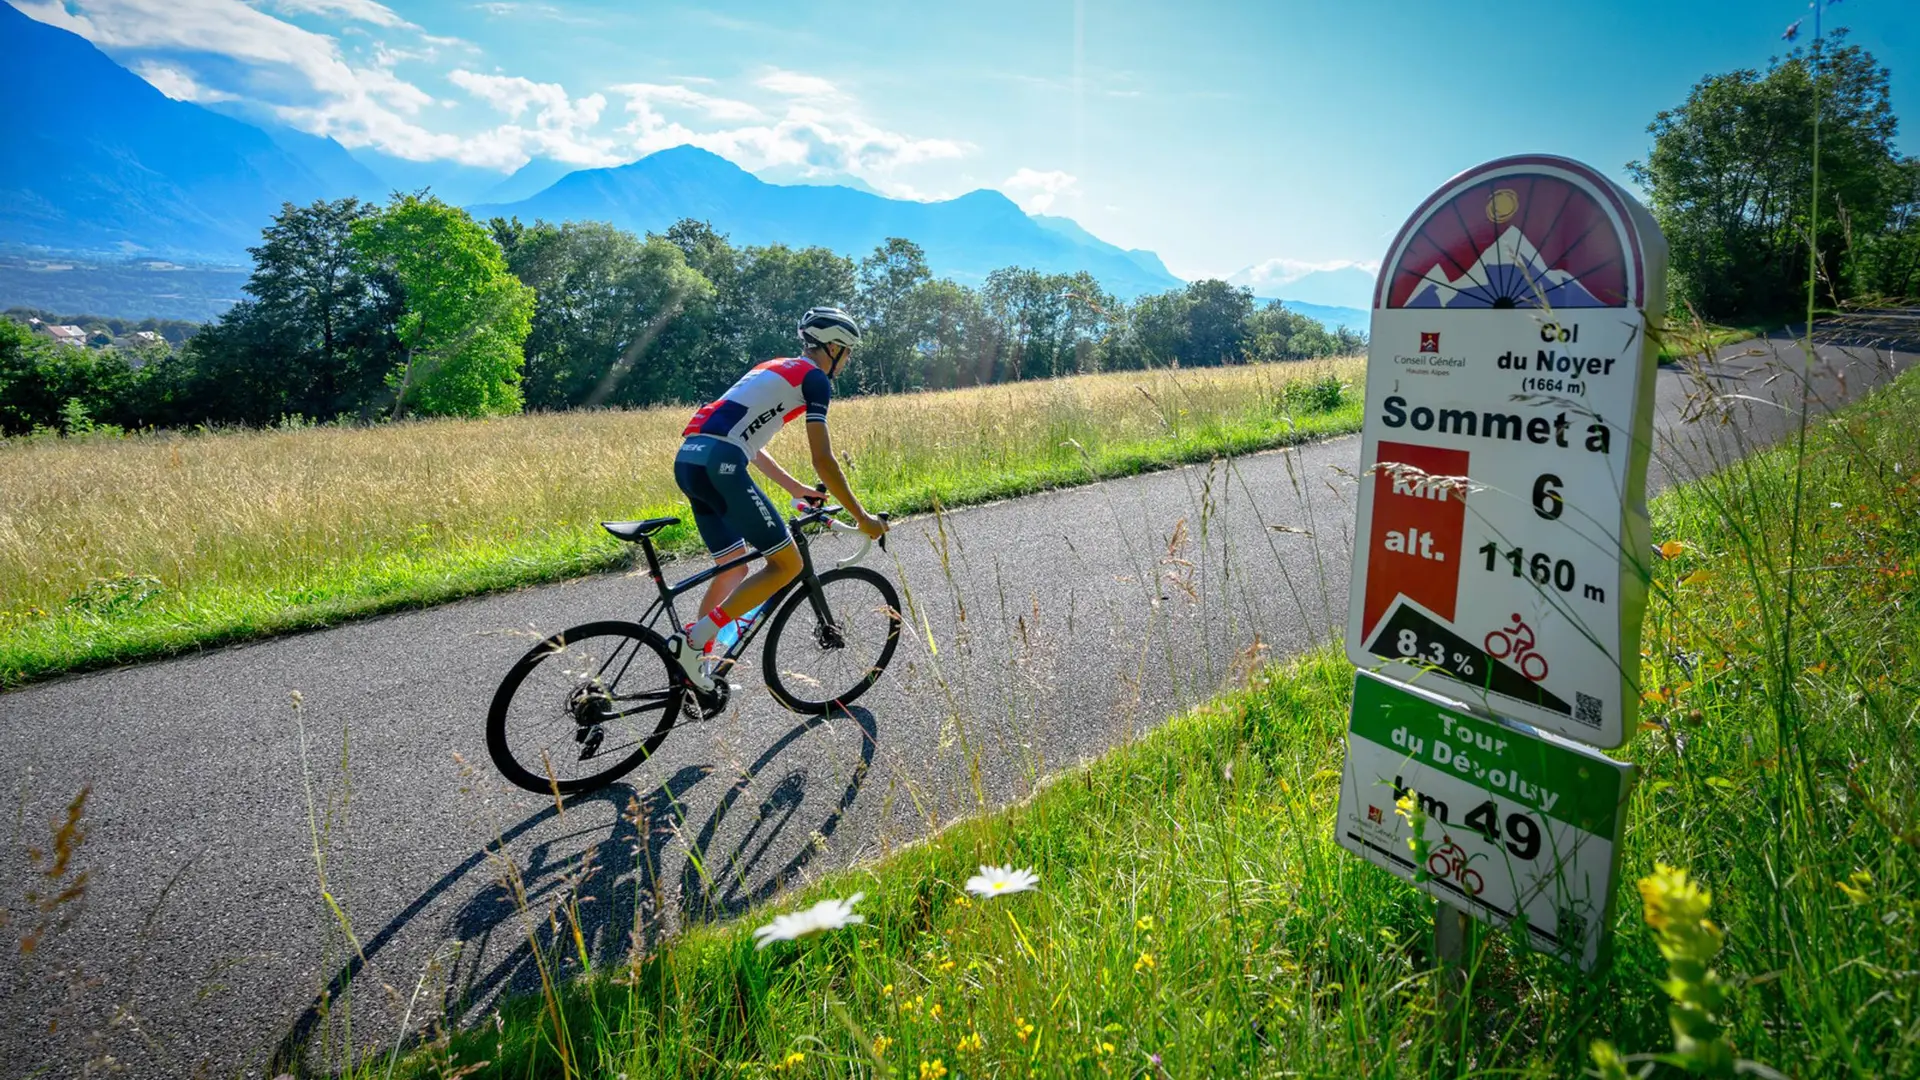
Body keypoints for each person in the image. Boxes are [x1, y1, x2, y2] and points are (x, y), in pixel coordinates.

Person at [668, 306, 888, 691]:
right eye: (848, 352)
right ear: (833, 347)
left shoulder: (771, 367)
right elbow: (823, 460)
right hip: (721, 464)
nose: (848, 360)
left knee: (733, 567)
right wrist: (863, 517)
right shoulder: (815, 379)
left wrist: (793, 487)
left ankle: (695, 671)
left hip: (689, 460)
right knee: (787, 564)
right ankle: (694, 640)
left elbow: (744, 438)